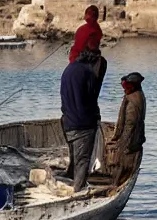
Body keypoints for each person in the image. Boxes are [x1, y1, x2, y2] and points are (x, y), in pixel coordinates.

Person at [60, 50, 102, 193]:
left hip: (68, 122)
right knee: (83, 160)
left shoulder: (68, 69)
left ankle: (71, 182)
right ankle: (78, 192)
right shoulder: (87, 72)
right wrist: (96, 116)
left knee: (75, 158)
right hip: (83, 124)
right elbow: (92, 97)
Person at [107, 72, 146, 186]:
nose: (124, 89)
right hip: (133, 137)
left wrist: (123, 143)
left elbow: (130, 124)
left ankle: (116, 183)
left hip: (132, 139)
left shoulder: (134, 100)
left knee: (122, 162)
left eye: (126, 87)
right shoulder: (136, 95)